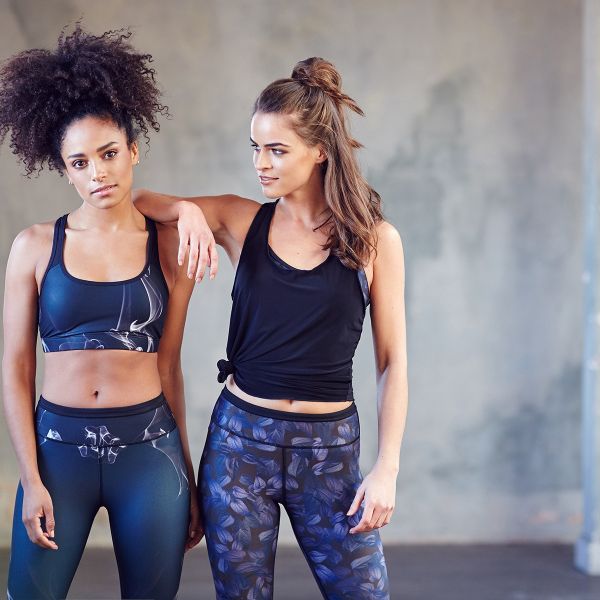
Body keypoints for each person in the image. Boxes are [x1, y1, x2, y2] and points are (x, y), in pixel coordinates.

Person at [135, 57, 408, 600]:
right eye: (255, 147)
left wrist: (387, 468)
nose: (261, 163)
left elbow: (391, 361)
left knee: (365, 591)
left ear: (320, 150)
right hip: (240, 446)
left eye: (277, 150)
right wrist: (188, 210)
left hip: (330, 450)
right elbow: (140, 202)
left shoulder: (375, 240)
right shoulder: (242, 220)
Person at [0, 25, 207, 600]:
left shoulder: (169, 249)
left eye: (110, 153)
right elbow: (15, 370)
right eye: (81, 162)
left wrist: (186, 475)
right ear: (64, 169)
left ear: (133, 150)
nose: (99, 173)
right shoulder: (35, 246)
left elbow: (170, 366)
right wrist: (31, 478)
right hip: (56, 456)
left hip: (149, 454)